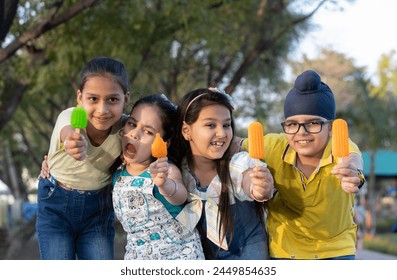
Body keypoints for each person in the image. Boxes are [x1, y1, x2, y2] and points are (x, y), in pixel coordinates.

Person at [240, 70, 365, 260]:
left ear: (331, 128)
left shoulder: (342, 150)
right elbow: (230, 143)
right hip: (286, 252)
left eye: (313, 123)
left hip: (336, 251)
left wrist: (352, 174)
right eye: (292, 124)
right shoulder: (273, 146)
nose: (301, 132)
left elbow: (354, 160)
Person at [36, 57, 130, 260]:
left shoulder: (127, 129)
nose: (102, 110)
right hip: (55, 206)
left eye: (113, 99)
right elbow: (67, 133)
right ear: (80, 98)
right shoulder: (69, 117)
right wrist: (72, 143)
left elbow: (158, 125)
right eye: (93, 99)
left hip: (97, 211)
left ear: (126, 99)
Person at [172, 88, 274, 260]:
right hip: (206, 254)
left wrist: (260, 187)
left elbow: (248, 179)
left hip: (249, 250)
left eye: (226, 125)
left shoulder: (236, 164)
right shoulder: (178, 173)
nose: (222, 133)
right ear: (186, 131)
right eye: (211, 125)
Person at [112, 94, 204, 260]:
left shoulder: (166, 169)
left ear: (164, 143)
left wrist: (165, 184)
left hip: (179, 256)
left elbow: (180, 196)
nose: (134, 134)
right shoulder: (118, 168)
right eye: (132, 124)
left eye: (148, 131)